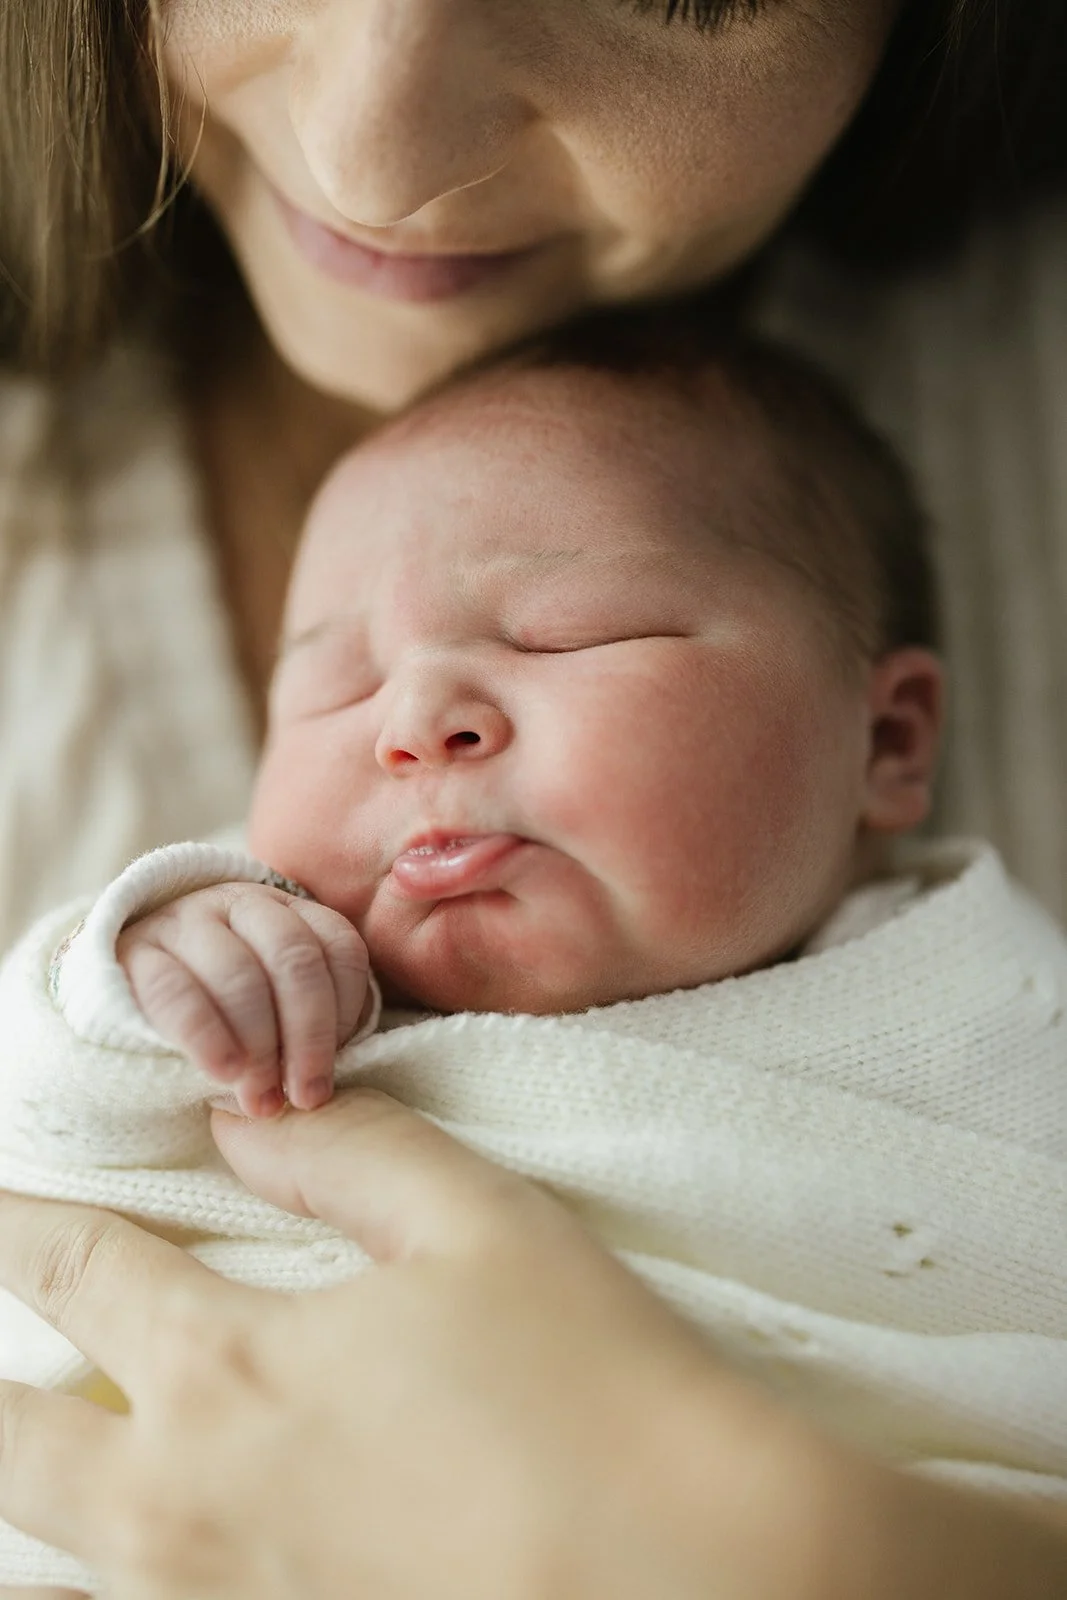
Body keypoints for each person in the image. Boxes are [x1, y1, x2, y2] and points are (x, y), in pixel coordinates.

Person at [1, 0, 1066, 1594]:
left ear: (887, 742)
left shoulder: (978, 1004)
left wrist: (829, 1553)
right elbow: (55, 1135)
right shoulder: (277, 983)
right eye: (335, 684)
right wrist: (147, 971)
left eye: (576, 635)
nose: (377, 153)